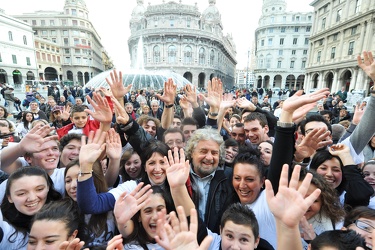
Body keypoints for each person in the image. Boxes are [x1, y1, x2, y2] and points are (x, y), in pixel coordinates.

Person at [0, 167, 61, 249]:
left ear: (48, 188)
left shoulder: (66, 215)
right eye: (21, 193)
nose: (32, 198)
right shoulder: (6, 229)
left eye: (39, 189)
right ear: (10, 198)